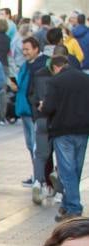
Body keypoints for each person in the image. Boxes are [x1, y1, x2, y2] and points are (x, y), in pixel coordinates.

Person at [41, 52, 89, 221]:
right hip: (83, 130)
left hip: (63, 131)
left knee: (67, 170)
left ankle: (74, 207)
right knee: (75, 168)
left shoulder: (55, 81)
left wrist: (42, 106)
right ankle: (67, 204)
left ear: (55, 67)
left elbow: (48, 108)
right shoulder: (85, 78)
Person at [13, 35, 52, 192]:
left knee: (37, 146)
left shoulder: (40, 66)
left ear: (36, 49)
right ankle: (38, 175)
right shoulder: (26, 65)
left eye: (27, 49)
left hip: (33, 110)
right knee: (31, 144)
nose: (25, 52)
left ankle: (40, 177)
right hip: (24, 109)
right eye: (23, 49)